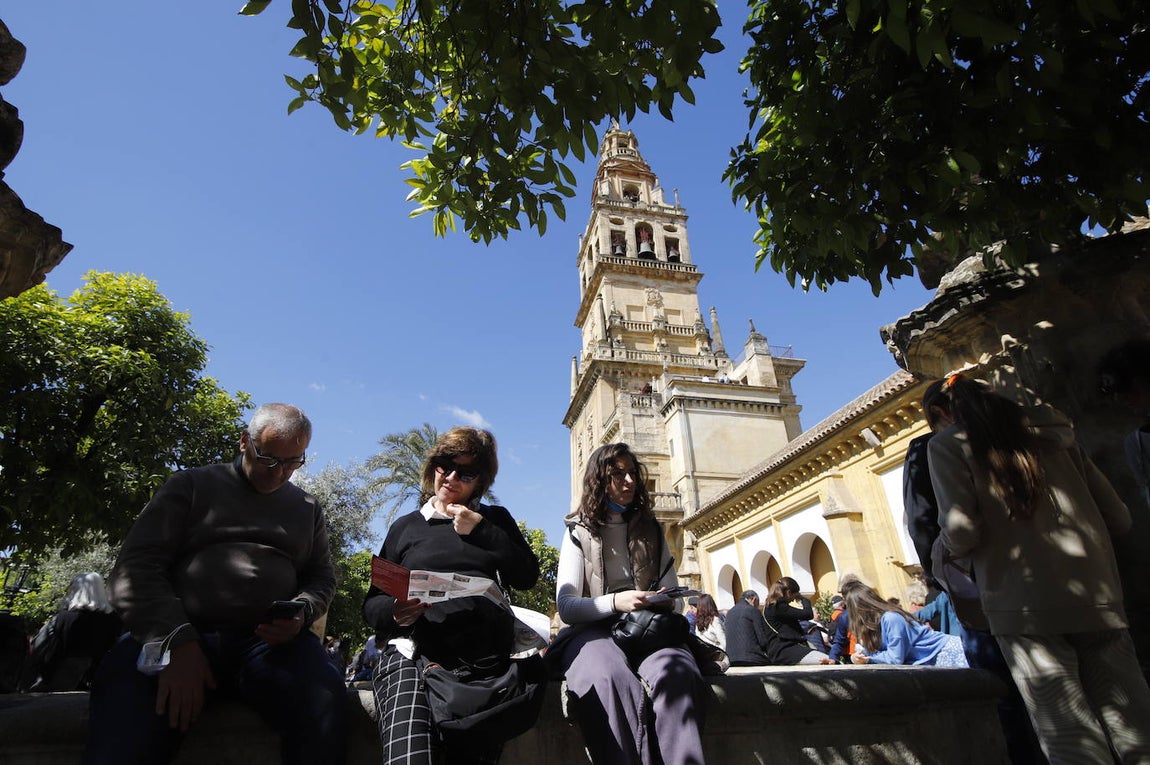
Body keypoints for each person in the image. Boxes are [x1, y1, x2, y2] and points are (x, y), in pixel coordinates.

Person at [84, 404, 346, 765]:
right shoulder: (191, 486)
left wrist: (302, 610)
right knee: (126, 715)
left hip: (267, 645)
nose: (278, 473)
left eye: (292, 463)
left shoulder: (307, 508)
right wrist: (176, 641)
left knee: (326, 699)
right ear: (244, 442)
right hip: (183, 630)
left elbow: (321, 577)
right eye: (268, 459)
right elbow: (136, 568)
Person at [930, 373, 1150, 763]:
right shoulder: (1058, 436)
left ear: (941, 412)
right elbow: (1119, 517)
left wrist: (944, 551)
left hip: (1022, 608)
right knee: (1133, 721)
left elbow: (961, 531)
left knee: (1067, 731)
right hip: (1096, 596)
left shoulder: (949, 446)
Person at [363, 427, 539, 765]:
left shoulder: (494, 520)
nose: (451, 477)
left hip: (482, 664)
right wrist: (396, 611)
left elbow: (526, 576)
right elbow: (372, 605)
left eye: (467, 472)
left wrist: (483, 531)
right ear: (434, 466)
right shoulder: (406, 527)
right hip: (414, 655)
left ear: (481, 481)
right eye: (445, 465)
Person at [552, 442, 706, 765]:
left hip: (647, 631)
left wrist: (660, 600)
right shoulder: (576, 532)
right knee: (608, 676)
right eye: (617, 473)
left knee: (677, 674)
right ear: (598, 479)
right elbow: (566, 606)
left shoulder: (652, 530)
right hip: (593, 633)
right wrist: (615, 602)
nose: (629, 481)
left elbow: (673, 597)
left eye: (632, 473)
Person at [21, 572, 122, 691]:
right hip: (95, 678)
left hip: (57, 675)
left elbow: (42, 645)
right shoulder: (113, 619)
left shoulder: (64, 618)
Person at [842, 580, 966, 667]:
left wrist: (868, 659)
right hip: (932, 659)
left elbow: (895, 658)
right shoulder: (879, 623)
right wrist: (857, 657)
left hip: (948, 654)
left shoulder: (891, 619)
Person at [762, 577, 831, 665]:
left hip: (783, 650)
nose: (793, 600)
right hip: (786, 650)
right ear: (788, 593)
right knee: (830, 662)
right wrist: (803, 599)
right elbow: (808, 614)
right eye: (794, 596)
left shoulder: (771, 606)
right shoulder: (778, 606)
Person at [725, 589, 771, 666]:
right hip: (751, 657)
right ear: (754, 600)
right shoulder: (752, 610)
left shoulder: (730, 612)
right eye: (757, 604)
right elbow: (762, 639)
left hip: (732, 659)